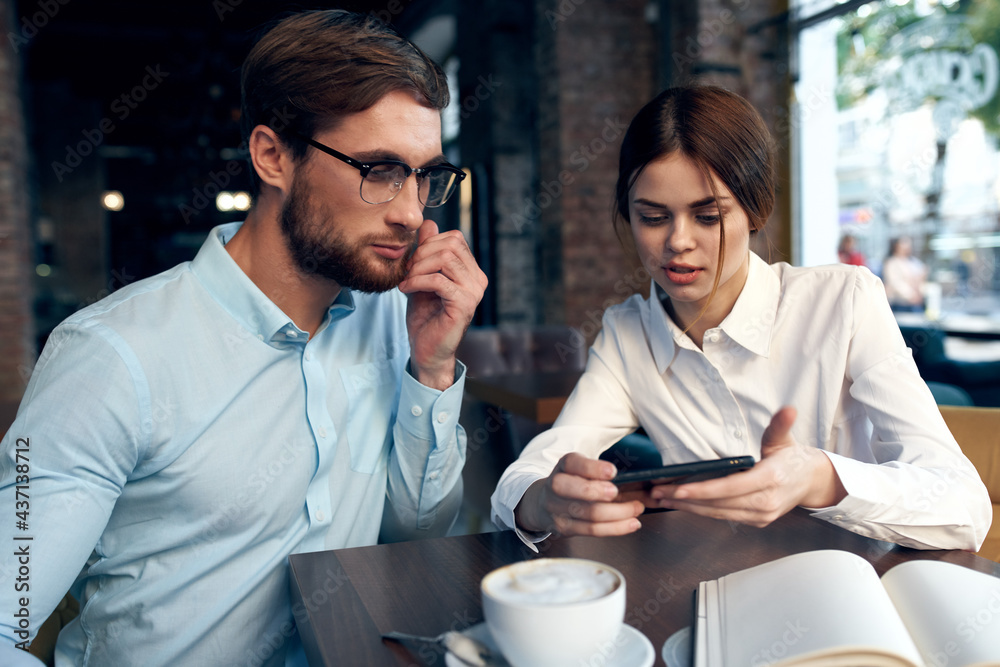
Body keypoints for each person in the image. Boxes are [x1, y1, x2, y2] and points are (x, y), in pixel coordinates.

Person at [0, 10, 486, 666]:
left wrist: (431, 368)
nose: (409, 211)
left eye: (424, 175)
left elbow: (414, 533)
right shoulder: (111, 358)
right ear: (272, 155)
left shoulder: (390, 316)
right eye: (379, 169)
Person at [491, 85, 990, 554]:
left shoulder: (845, 301)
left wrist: (817, 478)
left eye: (708, 216)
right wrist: (542, 501)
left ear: (755, 210)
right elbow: (532, 469)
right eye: (652, 216)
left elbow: (965, 506)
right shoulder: (629, 334)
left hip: (860, 584)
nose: (678, 242)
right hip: (717, 584)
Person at [882, 236, 927, 312]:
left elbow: (921, 273)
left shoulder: (912, 261)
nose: (906, 247)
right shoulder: (891, 263)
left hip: (915, 301)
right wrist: (911, 296)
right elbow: (895, 283)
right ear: (896, 246)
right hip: (900, 303)